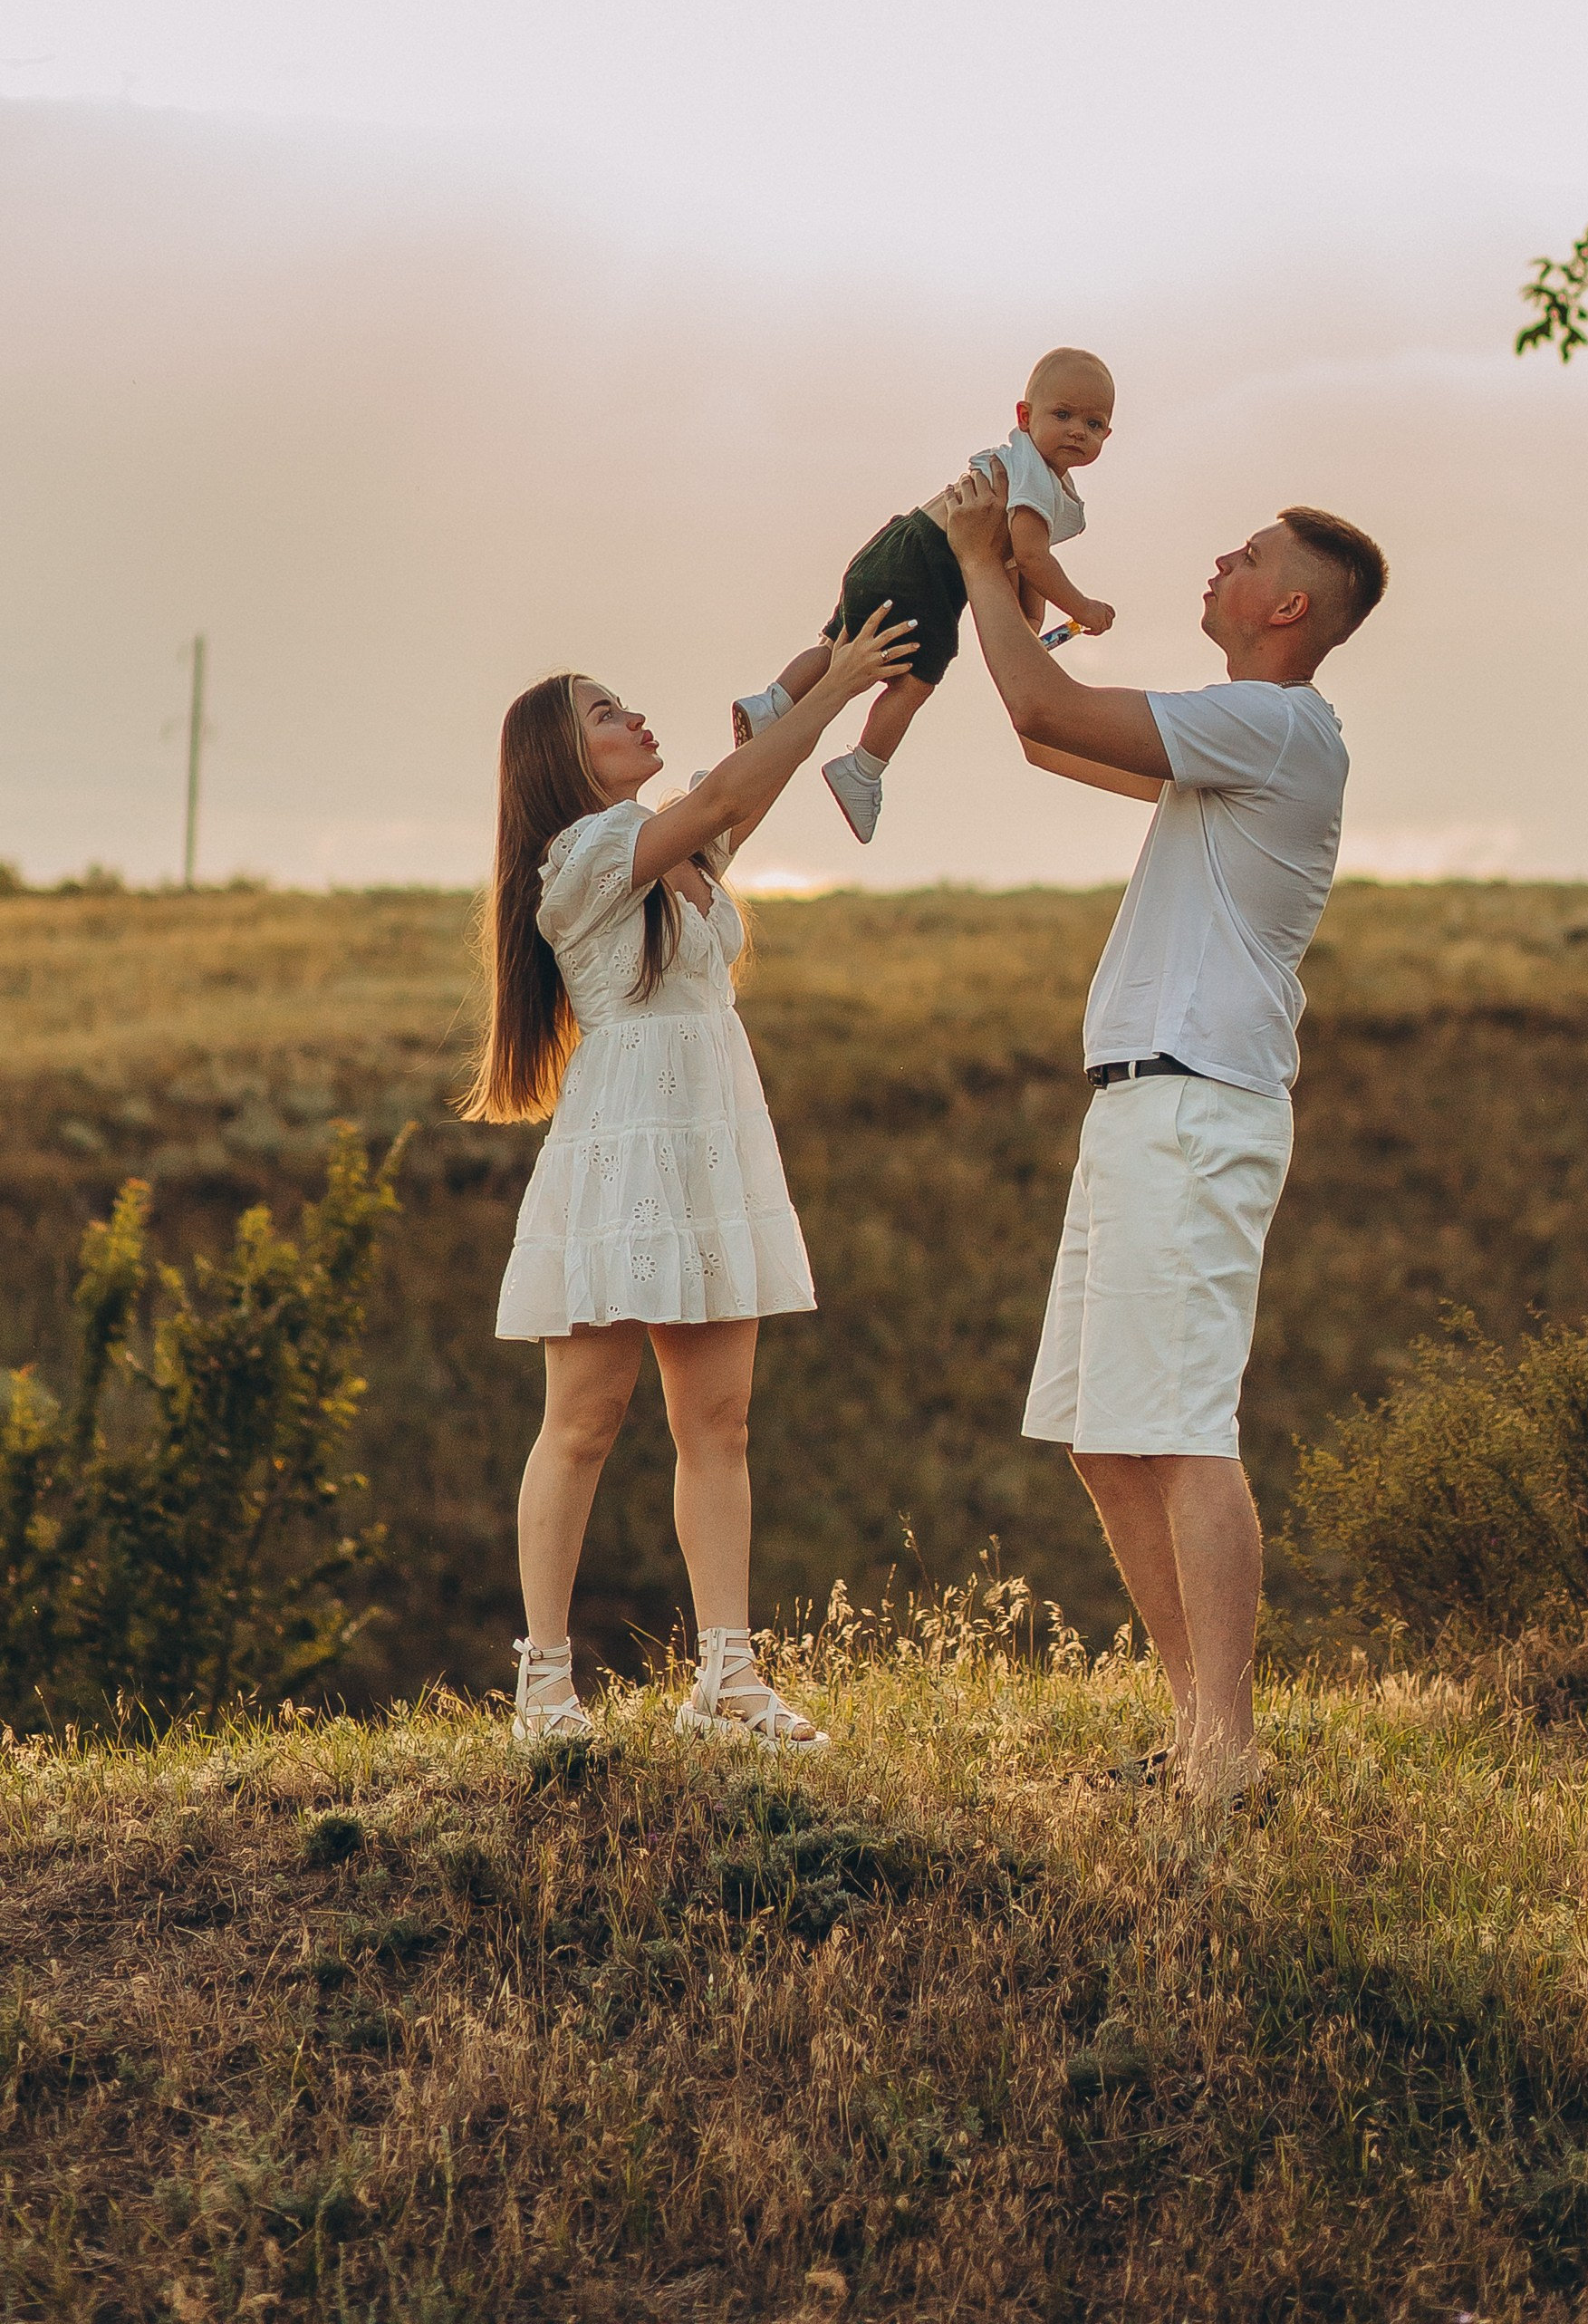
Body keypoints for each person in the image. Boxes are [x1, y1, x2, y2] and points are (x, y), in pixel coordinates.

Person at [938, 468, 1388, 1806]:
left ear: (1287, 601)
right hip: (1144, 1103)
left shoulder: (1277, 725)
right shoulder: (1238, 739)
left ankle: (1231, 1751)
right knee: (1104, 1433)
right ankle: (1197, 1735)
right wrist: (1014, 585)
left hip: (1195, 1105)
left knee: (1183, 1427)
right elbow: (1046, 735)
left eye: (1242, 555)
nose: (1218, 563)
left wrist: (975, 557)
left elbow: (1041, 707)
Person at [460, 610, 912, 1750]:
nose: (634, 719)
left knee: (720, 1419)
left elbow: (753, 766)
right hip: (627, 1145)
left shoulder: (682, 853)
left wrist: (841, 654)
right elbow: (719, 796)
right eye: (606, 715)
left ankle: (728, 1677)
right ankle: (545, 1684)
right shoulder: (584, 857)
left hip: (707, 1139)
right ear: (564, 758)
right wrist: (838, 687)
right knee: (584, 1421)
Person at [732, 347, 1118, 845]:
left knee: (839, 648)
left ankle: (772, 704)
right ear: (1025, 417)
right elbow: (1032, 558)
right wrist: (1081, 608)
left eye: (1093, 423)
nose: (1076, 431)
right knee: (914, 683)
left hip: (894, 547)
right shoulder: (1037, 481)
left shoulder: (1015, 464)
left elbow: (1016, 565)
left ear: (1107, 435)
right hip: (928, 570)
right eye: (1062, 415)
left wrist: (1026, 629)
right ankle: (863, 769)